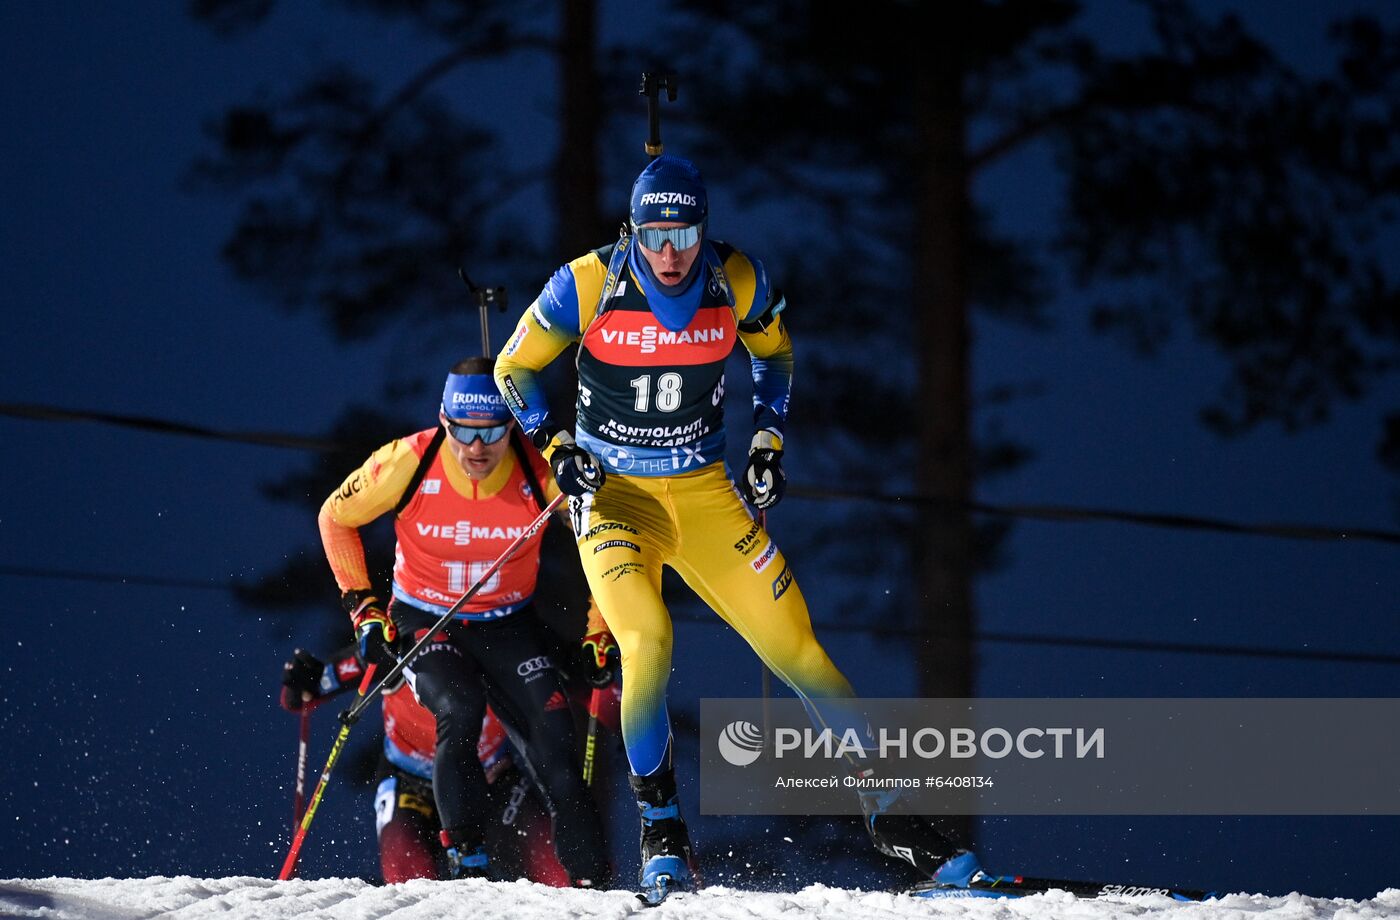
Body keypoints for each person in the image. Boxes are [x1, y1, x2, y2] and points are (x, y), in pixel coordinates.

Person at [494, 155, 980, 895]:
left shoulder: (737, 279)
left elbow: (777, 355)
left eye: (685, 234)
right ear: (633, 231)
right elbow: (511, 369)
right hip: (615, 500)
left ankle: (893, 815)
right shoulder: (588, 283)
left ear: (703, 229)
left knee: (802, 652)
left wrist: (768, 440)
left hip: (703, 494)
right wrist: (556, 447)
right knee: (648, 643)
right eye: (656, 236)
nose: (670, 254)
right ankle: (662, 830)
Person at [316, 356, 613, 886]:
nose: (477, 449)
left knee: (557, 743)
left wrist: (600, 630)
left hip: (508, 623)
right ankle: (468, 865)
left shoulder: (540, 467)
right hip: (426, 619)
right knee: (459, 706)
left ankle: (594, 890)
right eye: (464, 432)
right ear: (444, 421)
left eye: (493, 431)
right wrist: (364, 611)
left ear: (513, 426)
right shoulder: (408, 460)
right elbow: (335, 517)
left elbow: (608, 538)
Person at [279, 645, 575, 884]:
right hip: (409, 781)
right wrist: (305, 680)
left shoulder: (498, 642)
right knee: (408, 875)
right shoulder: (403, 646)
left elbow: (570, 683)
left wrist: (588, 673)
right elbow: (306, 692)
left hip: (489, 779)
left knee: (558, 865)